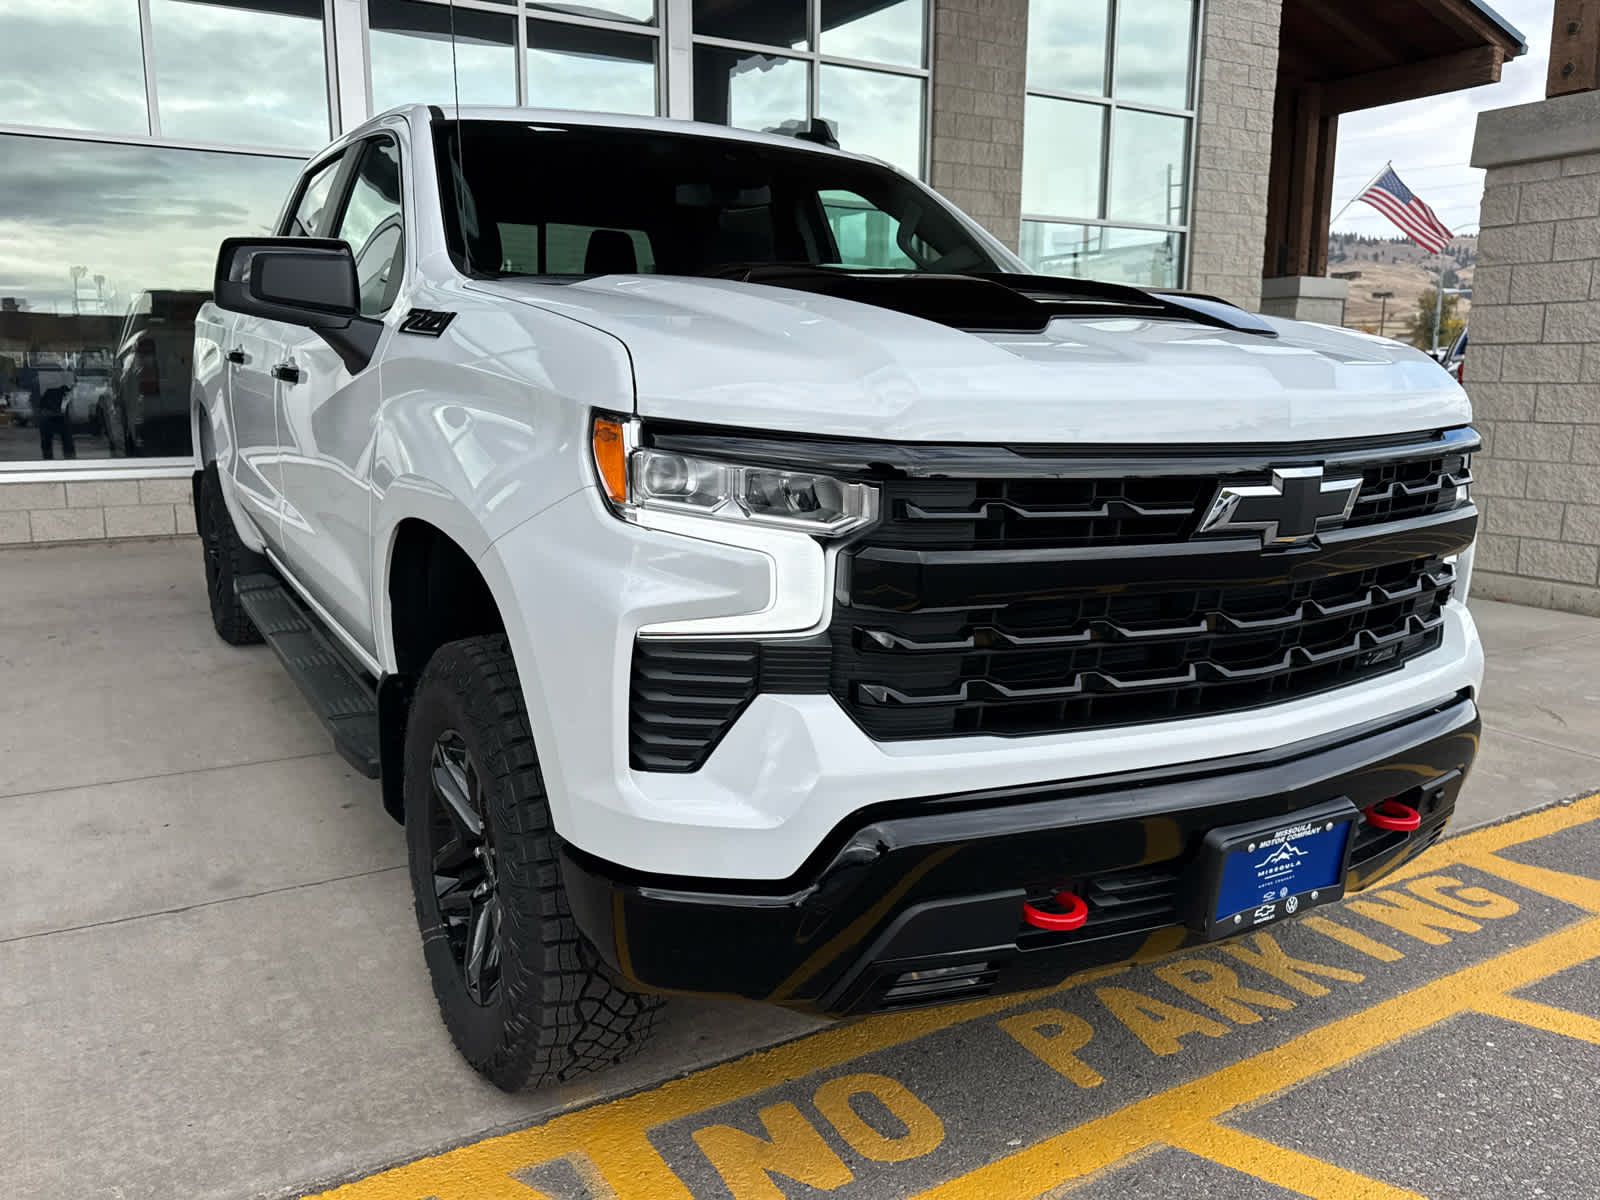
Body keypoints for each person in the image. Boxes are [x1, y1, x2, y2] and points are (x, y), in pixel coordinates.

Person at [31, 358, 77, 460]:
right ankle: (64, 464)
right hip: (49, 416)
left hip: (56, 417)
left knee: (63, 444)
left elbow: (72, 385)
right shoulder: (40, 384)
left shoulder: (61, 385)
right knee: (51, 445)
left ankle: (69, 465)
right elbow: (35, 402)